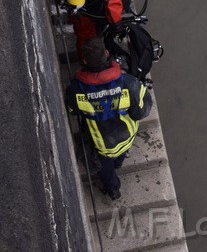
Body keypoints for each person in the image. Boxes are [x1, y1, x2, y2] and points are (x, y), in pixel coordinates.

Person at [65, 37, 153, 200]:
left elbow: (71, 109)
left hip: (102, 145)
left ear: (84, 61)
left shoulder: (77, 90)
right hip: (128, 136)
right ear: (106, 54)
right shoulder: (128, 83)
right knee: (118, 154)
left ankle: (112, 187)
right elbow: (142, 110)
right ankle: (119, 162)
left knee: (104, 165)